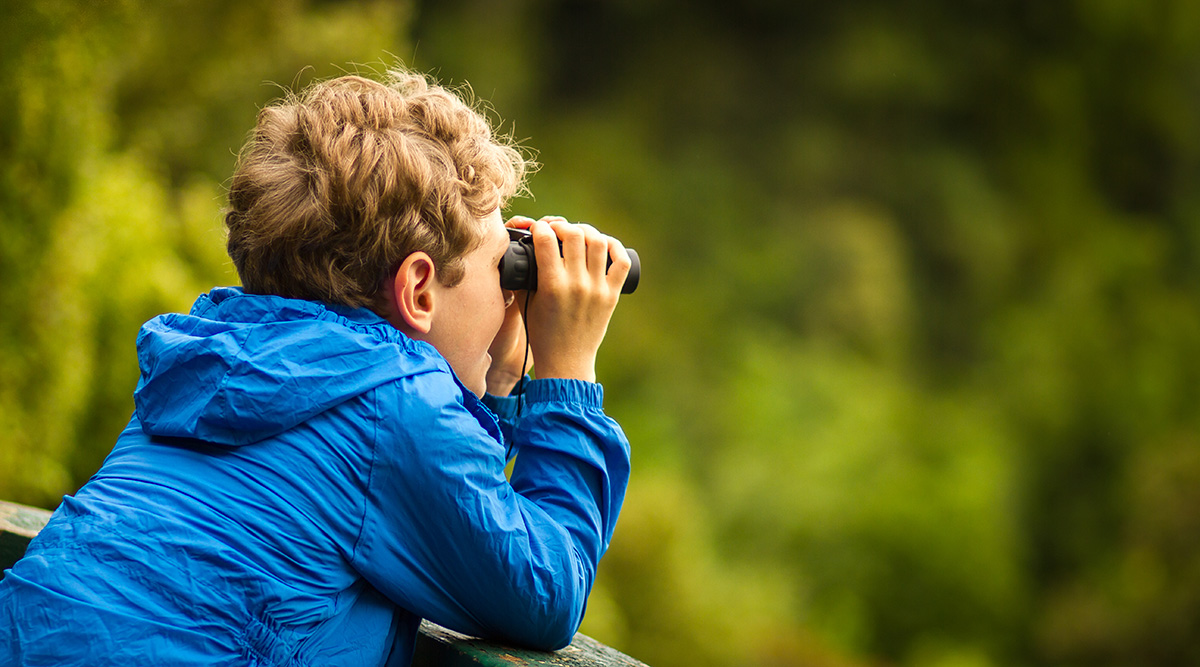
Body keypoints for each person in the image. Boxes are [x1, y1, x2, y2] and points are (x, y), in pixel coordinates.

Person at [0, 68, 633, 666]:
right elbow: (545, 587)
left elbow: (453, 526)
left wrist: (499, 381)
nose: (510, 292)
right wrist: (567, 372)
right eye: (504, 267)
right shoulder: (394, 403)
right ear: (418, 290)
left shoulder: (217, 359)